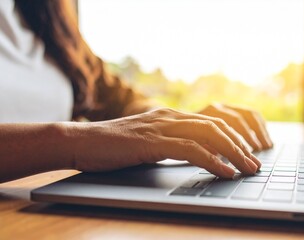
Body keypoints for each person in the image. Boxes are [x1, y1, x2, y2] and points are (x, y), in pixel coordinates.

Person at [0, 0, 273, 183]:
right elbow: (85, 137)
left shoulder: (47, 12)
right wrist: (72, 141)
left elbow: (117, 98)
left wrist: (172, 123)